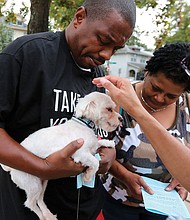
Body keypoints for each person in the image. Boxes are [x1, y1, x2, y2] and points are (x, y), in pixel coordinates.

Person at [0, 0, 136, 219]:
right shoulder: (26, 54)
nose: (108, 55)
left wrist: (107, 155)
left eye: (116, 49)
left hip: (83, 208)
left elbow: (92, 129)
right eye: (103, 40)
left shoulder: (96, 74)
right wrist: (41, 167)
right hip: (27, 209)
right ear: (79, 17)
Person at [93, 42, 190, 220]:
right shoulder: (118, 98)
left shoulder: (187, 106)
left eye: (171, 96)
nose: (160, 98)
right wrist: (126, 176)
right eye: (156, 88)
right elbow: (98, 148)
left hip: (163, 205)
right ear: (147, 73)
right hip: (116, 200)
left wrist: (184, 178)